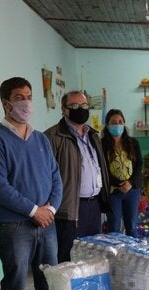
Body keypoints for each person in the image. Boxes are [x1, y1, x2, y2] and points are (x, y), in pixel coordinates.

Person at [0, 77, 63, 290]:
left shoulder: (40, 139)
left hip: (47, 224)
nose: (26, 103)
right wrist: (34, 210)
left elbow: (56, 176)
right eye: (19, 98)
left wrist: (51, 209)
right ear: (6, 104)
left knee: (49, 283)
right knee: (15, 287)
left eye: (28, 97)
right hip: (15, 227)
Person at [46, 91, 110, 262]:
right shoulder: (52, 137)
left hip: (94, 204)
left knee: (92, 255)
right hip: (69, 209)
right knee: (69, 258)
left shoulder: (93, 135)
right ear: (63, 110)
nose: (80, 109)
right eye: (74, 106)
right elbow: (46, 175)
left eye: (83, 106)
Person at [101, 109, 142, 236]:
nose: (117, 125)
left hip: (132, 189)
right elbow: (103, 168)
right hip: (113, 191)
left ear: (124, 124)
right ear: (107, 125)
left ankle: (133, 253)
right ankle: (115, 255)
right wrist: (119, 184)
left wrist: (130, 183)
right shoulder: (102, 144)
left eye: (120, 122)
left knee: (132, 225)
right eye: (113, 122)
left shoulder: (133, 143)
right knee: (114, 226)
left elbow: (139, 164)